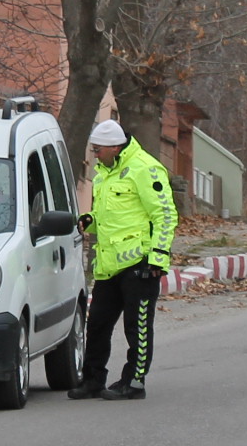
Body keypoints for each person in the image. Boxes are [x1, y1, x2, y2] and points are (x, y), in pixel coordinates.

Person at [72, 119, 178, 401]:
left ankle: (134, 381)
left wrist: (158, 259)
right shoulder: (105, 173)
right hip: (108, 265)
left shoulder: (145, 168)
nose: (94, 154)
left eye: (98, 149)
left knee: (138, 326)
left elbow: (165, 215)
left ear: (115, 147)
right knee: (97, 325)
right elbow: (113, 216)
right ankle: (93, 379)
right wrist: (90, 221)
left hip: (140, 264)